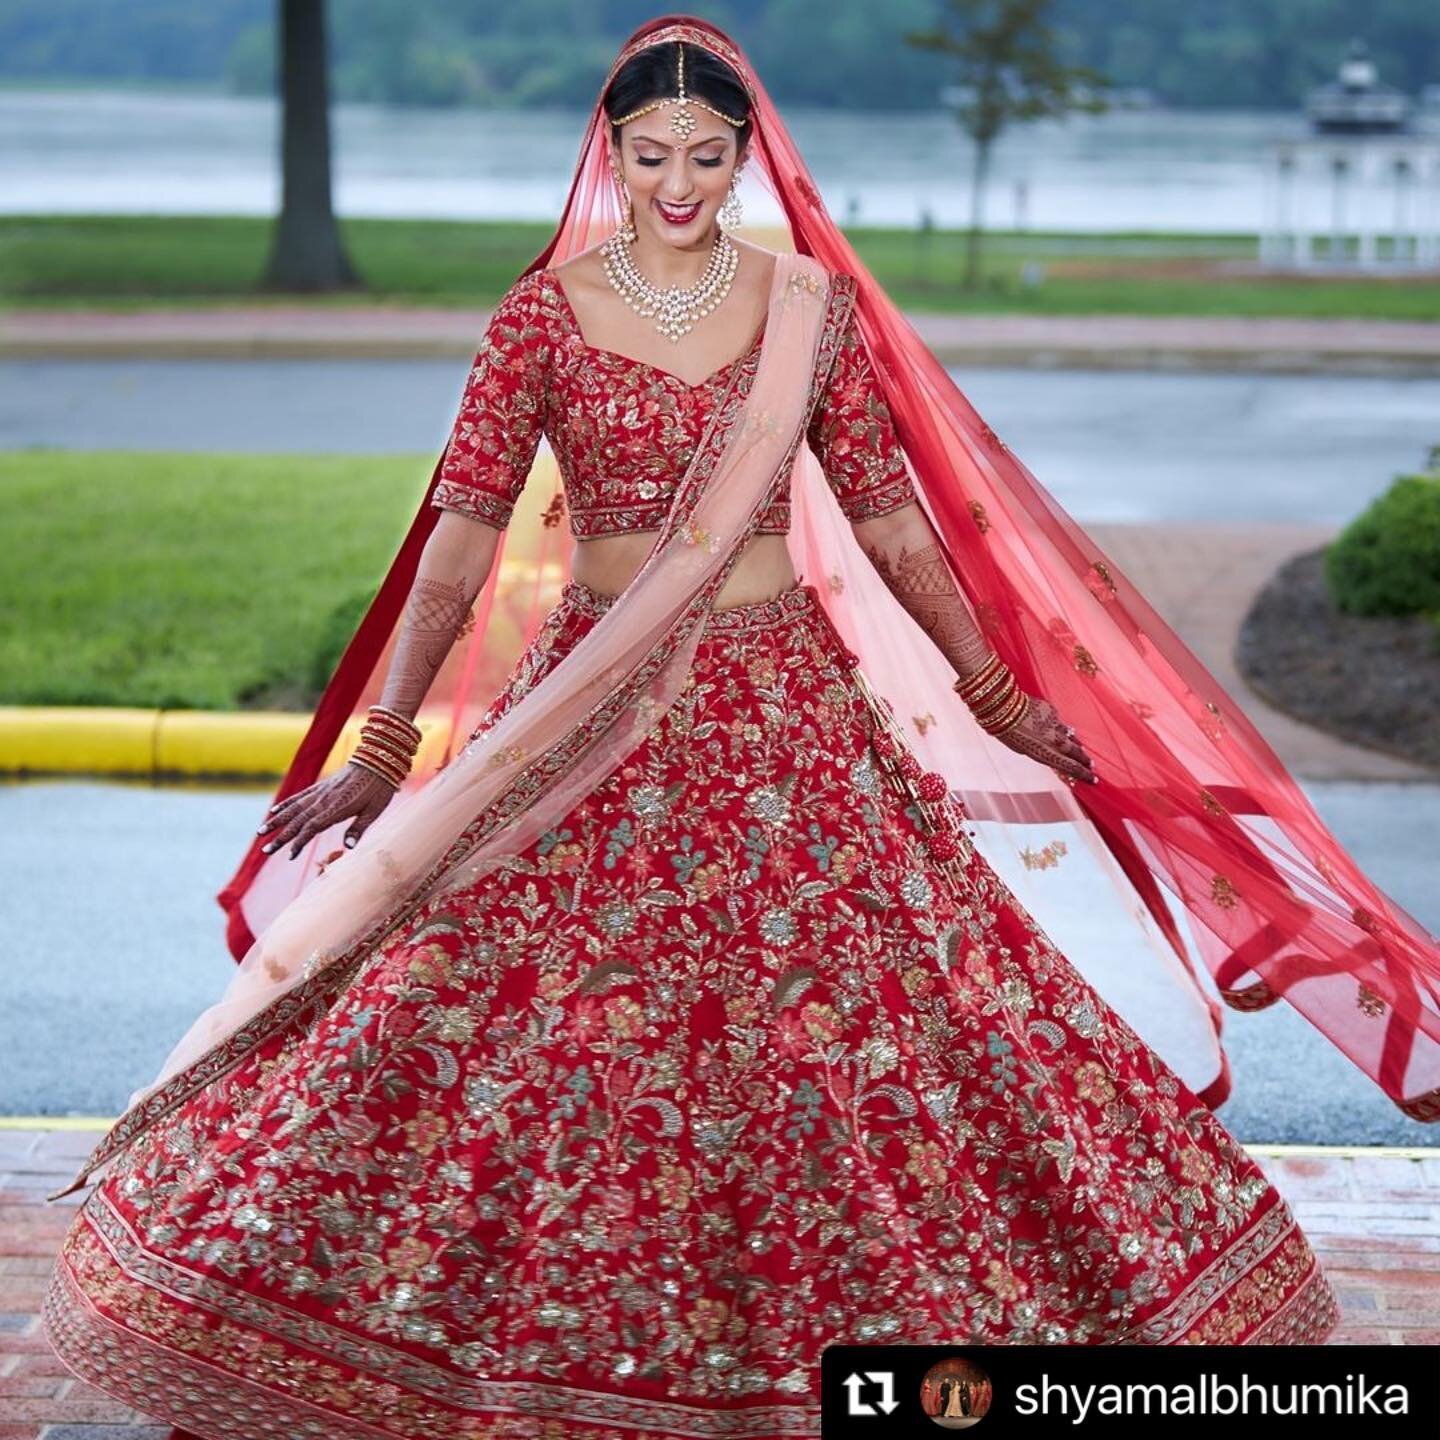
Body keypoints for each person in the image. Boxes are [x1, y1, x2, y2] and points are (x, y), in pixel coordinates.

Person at [44, 11, 1440, 1438]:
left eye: (708, 157)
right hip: (591, 712)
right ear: (613, 150)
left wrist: (997, 691)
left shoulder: (804, 312)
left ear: (744, 157)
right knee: (508, 1010)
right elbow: (459, 546)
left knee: (872, 1017)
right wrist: (386, 751)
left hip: (784, 714)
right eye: (652, 155)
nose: (678, 184)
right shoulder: (540, 316)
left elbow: (893, 523)